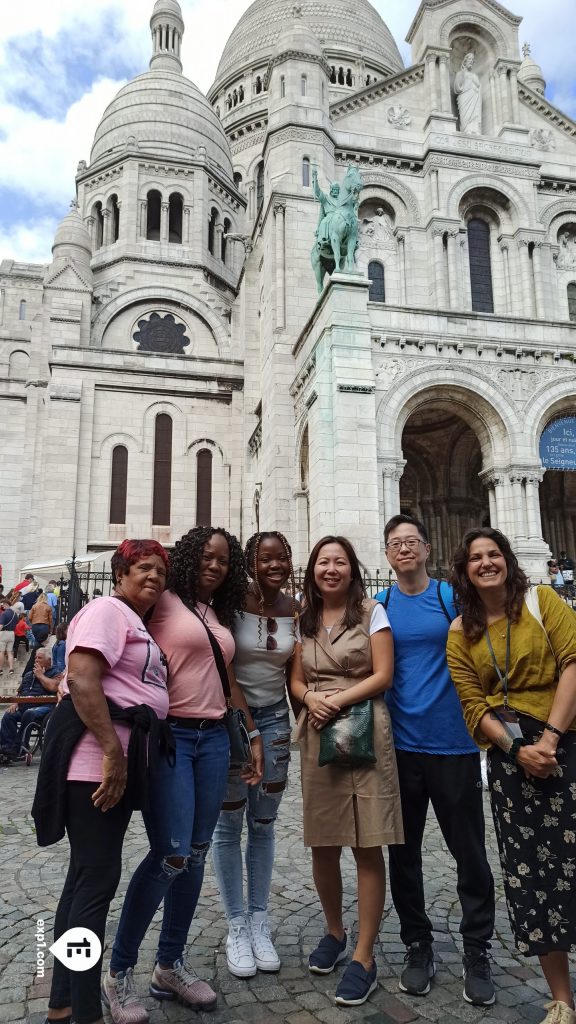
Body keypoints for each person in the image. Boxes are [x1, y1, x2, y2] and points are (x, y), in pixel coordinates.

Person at [104, 526, 264, 1024]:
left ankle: (169, 964)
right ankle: (119, 972)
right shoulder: (161, 599)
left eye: (223, 559)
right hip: (172, 737)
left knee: (194, 855)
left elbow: (226, 678)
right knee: (170, 853)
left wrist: (252, 735)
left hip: (215, 739)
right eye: (206, 557)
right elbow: (117, 644)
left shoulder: (215, 613)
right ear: (189, 557)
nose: (214, 566)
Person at [32, 539, 171, 1024]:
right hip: (95, 764)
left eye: (160, 570)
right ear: (120, 573)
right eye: (142, 568)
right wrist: (114, 754)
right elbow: (85, 679)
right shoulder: (107, 610)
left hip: (108, 760)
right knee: (97, 884)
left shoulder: (133, 619)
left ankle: (62, 1002)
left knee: (82, 881)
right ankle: (87, 1012)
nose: (153, 576)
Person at [446, 528, 576, 1024]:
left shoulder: (543, 601)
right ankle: (560, 997)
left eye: (493, 554)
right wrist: (518, 749)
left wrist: (549, 741)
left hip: (565, 743)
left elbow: (572, 661)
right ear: (465, 569)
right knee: (533, 876)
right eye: (476, 557)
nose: (486, 563)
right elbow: (472, 703)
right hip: (511, 761)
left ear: (507, 559)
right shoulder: (461, 631)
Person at [376, 516, 495, 1004]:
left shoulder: (451, 597)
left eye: (411, 542)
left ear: (427, 548)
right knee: (403, 856)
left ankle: (477, 949)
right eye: (395, 544)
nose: (404, 550)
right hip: (400, 748)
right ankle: (417, 945)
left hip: (454, 745)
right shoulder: (379, 605)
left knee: (469, 852)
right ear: (387, 554)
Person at [290, 535, 402, 1007]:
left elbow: (383, 674)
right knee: (324, 840)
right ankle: (335, 931)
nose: (330, 569)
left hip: (365, 732)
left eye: (339, 562)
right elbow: (295, 678)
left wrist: (333, 698)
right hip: (319, 733)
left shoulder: (372, 612)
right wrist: (309, 697)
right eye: (323, 562)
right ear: (313, 570)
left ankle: (364, 956)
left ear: (353, 570)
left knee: (368, 842)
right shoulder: (304, 620)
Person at [212, 531, 298, 978]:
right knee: (228, 825)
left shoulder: (295, 609)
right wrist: (247, 730)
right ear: (251, 562)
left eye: (281, 558)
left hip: (277, 721)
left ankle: (260, 920)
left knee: (262, 825)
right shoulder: (231, 605)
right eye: (266, 558)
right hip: (233, 721)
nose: (275, 565)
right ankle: (237, 924)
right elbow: (225, 671)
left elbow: (295, 676)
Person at [0, 647, 59, 759]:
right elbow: (20, 692)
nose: (36, 660)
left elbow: (54, 687)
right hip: (24, 705)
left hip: (44, 707)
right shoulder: (28, 674)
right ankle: (6, 748)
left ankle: (19, 747)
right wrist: (15, 703)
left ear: (49, 660)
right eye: (35, 657)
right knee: (9, 715)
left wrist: (41, 675)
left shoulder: (55, 673)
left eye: (40, 658)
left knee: (29, 713)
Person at [454, 51, 482, 134]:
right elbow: (457, 88)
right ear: (465, 61)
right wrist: (463, 74)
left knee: (474, 114)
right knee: (465, 115)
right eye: (469, 59)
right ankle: (466, 129)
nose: (471, 61)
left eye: (472, 60)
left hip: (474, 97)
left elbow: (478, 85)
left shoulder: (474, 75)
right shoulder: (460, 73)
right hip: (464, 98)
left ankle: (475, 130)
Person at [0, 600, 19, 676]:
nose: (2, 606)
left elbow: (1, 626)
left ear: (6, 604)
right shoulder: (15, 614)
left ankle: (0, 669)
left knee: (1, 652)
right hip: (12, 634)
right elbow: (16, 623)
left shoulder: (4, 614)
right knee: (9, 652)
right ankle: (11, 669)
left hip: (4, 633)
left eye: (3, 605)